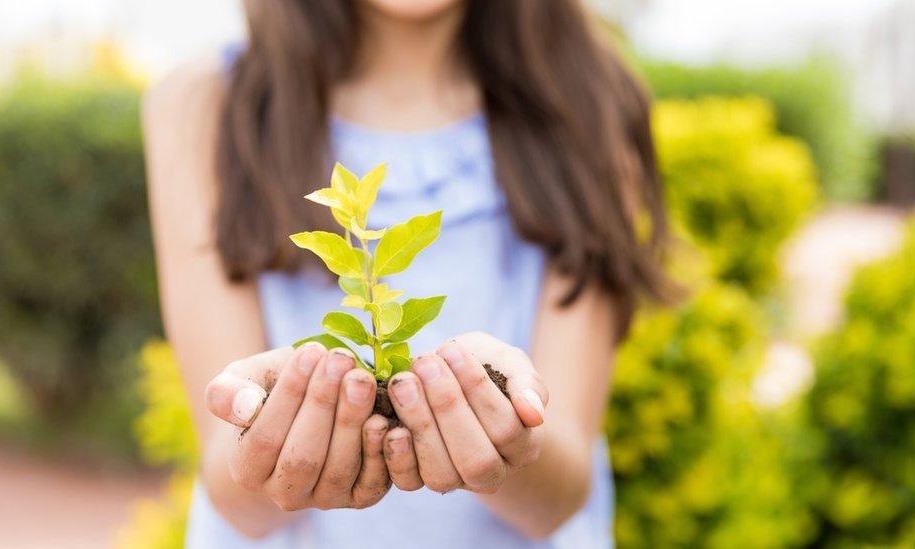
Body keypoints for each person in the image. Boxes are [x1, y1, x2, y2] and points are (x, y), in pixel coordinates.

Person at [143, 0, 672, 547]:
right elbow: (231, 488)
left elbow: (562, 494)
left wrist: (507, 434)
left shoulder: (589, 97)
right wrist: (272, 430)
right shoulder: (205, 105)